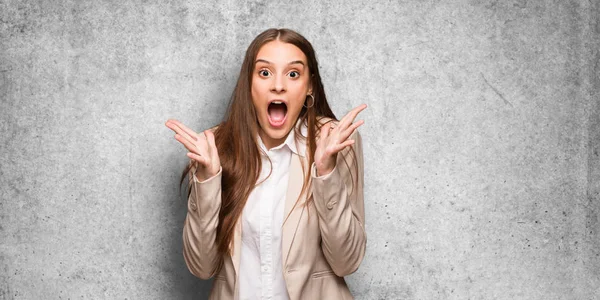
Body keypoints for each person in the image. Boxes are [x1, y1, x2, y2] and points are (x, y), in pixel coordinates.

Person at [165, 28, 367, 300]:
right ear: (248, 84)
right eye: (264, 72)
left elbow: (347, 262)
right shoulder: (214, 147)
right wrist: (207, 179)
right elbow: (202, 267)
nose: (278, 86)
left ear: (309, 87)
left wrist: (326, 172)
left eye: (293, 74)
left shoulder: (334, 141)